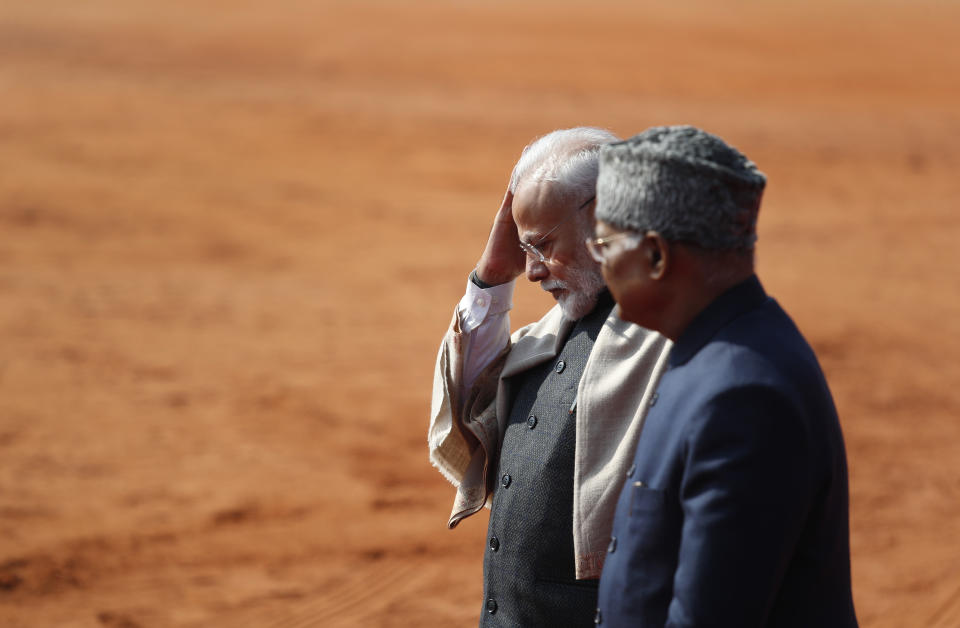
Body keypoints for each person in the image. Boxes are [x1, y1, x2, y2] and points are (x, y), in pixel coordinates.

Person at [588, 125, 858, 627]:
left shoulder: (743, 398)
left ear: (655, 255)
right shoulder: (715, 348)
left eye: (604, 243)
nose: (597, 260)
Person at [429, 127, 672, 626]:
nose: (533, 271)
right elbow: (471, 402)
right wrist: (493, 274)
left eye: (542, 246)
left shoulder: (670, 336)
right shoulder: (551, 332)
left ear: (606, 215)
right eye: (525, 250)